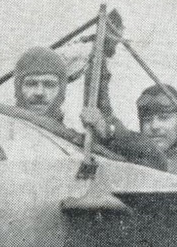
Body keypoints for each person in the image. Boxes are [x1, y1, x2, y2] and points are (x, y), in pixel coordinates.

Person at [9, 43, 166, 171]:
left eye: (49, 85)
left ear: (61, 92)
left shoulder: (71, 141)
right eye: (31, 84)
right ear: (18, 88)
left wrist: (108, 131)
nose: (39, 92)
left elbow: (155, 163)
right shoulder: (1, 131)